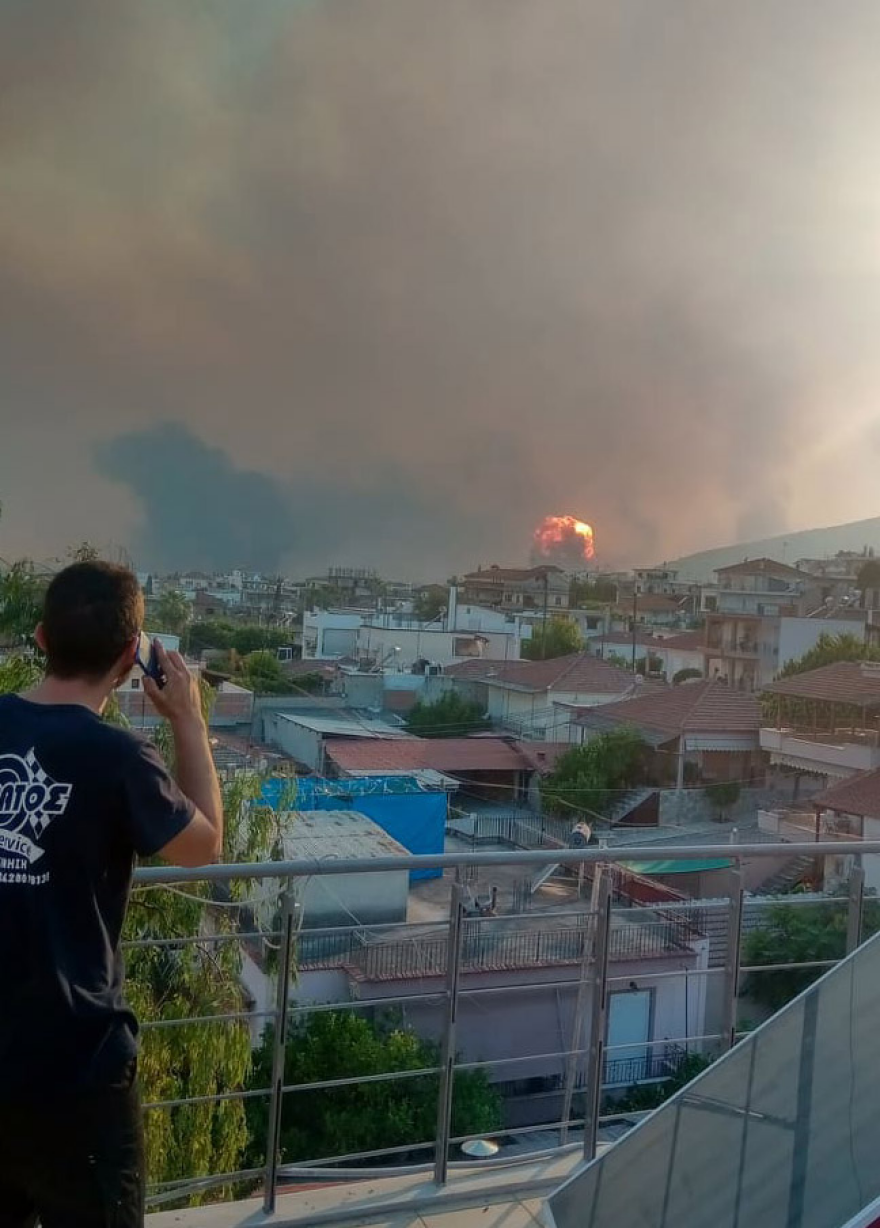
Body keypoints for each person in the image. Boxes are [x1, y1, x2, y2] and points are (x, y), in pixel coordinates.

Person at [0, 562, 223, 1227]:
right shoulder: (119, 758)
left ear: (41, 637)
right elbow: (202, 848)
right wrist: (189, 720)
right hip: (77, 1069)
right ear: (132, 657)